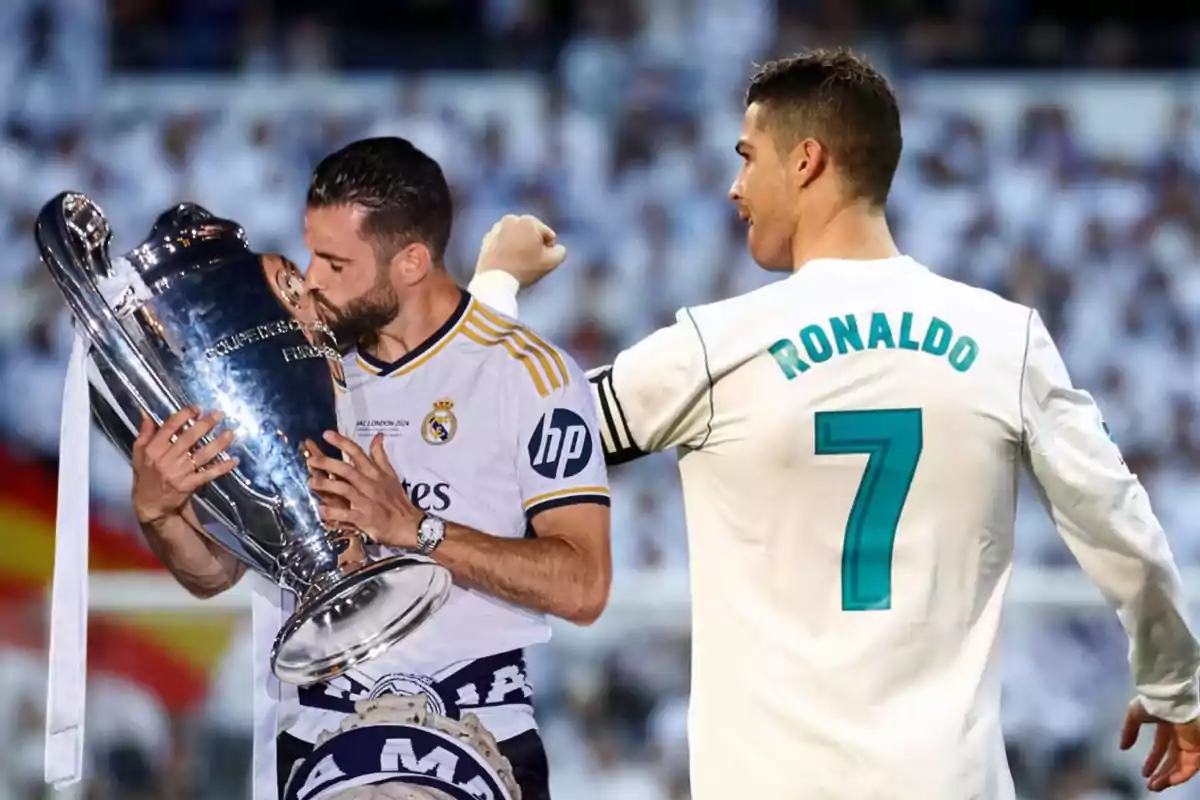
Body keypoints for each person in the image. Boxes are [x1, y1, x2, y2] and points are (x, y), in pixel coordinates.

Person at [467, 48, 1200, 799]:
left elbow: (501, 441)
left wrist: (496, 284)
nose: (734, 187)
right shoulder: (1003, 340)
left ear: (807, 161)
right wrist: (1176, 683)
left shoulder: (715, 348)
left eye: (749, 158)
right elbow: (1120, 520)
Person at [128, 137, 612, 800]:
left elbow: (584, 585)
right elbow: (213, 572)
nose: (311, 279)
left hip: (479, 731)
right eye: (311, 253)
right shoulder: (297, 370)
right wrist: (161, 511)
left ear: (411, 261)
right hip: (320, 735)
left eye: (334, 262)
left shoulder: (531, 375)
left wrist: (417, 528)